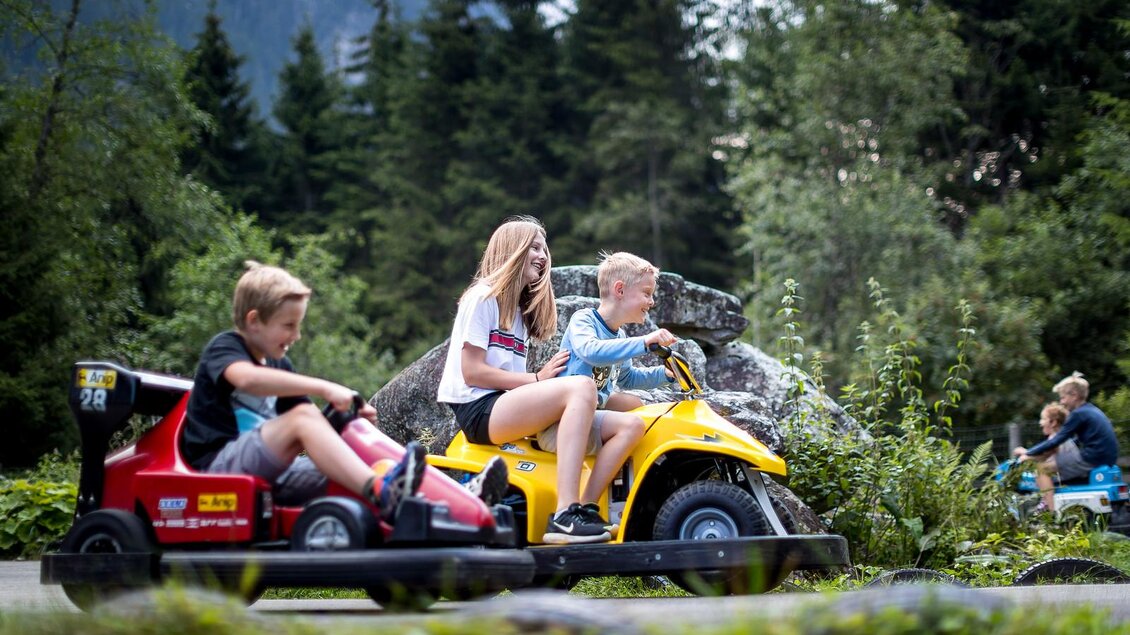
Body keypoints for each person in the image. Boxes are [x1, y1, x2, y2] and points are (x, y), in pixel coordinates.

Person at [183, 261, 507, 526]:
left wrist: (346, 419)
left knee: (358, 462)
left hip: (271, 470)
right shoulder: (226, 348)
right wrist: (324, 387)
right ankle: (381, 492)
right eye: (288, 326)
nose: (296, 335)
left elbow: (314, 427)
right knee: (309, 424)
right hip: (217, 470)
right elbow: (248, 381)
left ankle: (457, 502)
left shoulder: (279, 364)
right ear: (254, 321)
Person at [437, 216, 615, 545]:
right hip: (479, 409)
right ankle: (565, 513)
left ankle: (592, 507)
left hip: (503, 404)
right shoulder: (483, 297)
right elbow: (472, 372)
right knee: (581, 388)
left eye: (545, 249)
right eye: (534, 248)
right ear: (513, 250)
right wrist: (536, 379)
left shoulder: (520, 313)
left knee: (626, 422)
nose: (543, 256)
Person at [540, 251, 677, 526]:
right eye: (647, 293)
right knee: (632, 425)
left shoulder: (619, 334)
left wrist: (666, 374)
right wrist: (644, 342)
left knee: (635, 405)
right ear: (620, 290)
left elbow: (627, 378)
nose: (651, 301)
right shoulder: (584, 320)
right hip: (562, 424)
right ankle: (587, 504)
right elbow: (591, 351)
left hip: (589, 415)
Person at [1014, 373, 1119, 512]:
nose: (1062, 402)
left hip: (1092, 458)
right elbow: (1074, 439)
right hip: (1104, 457)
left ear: (1074, 395)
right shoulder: (1091, 410)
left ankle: (1050, 511)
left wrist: (1028, 453)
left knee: (1042, 469)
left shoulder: (1078, 414)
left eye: (1063, 397)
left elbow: (1057, 440)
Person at [1012, 402, 1069, 512]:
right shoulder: (1057, 436)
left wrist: (1025, 454)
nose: (1040, 423)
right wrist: (1026, 454)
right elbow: (1043, 455)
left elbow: (1044, 454)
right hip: (1061, 469)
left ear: (1053, 422)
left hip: (1063, 471)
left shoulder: (1056, 438)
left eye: (1043, 419)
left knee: (1040, 470)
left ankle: (1050, 507)